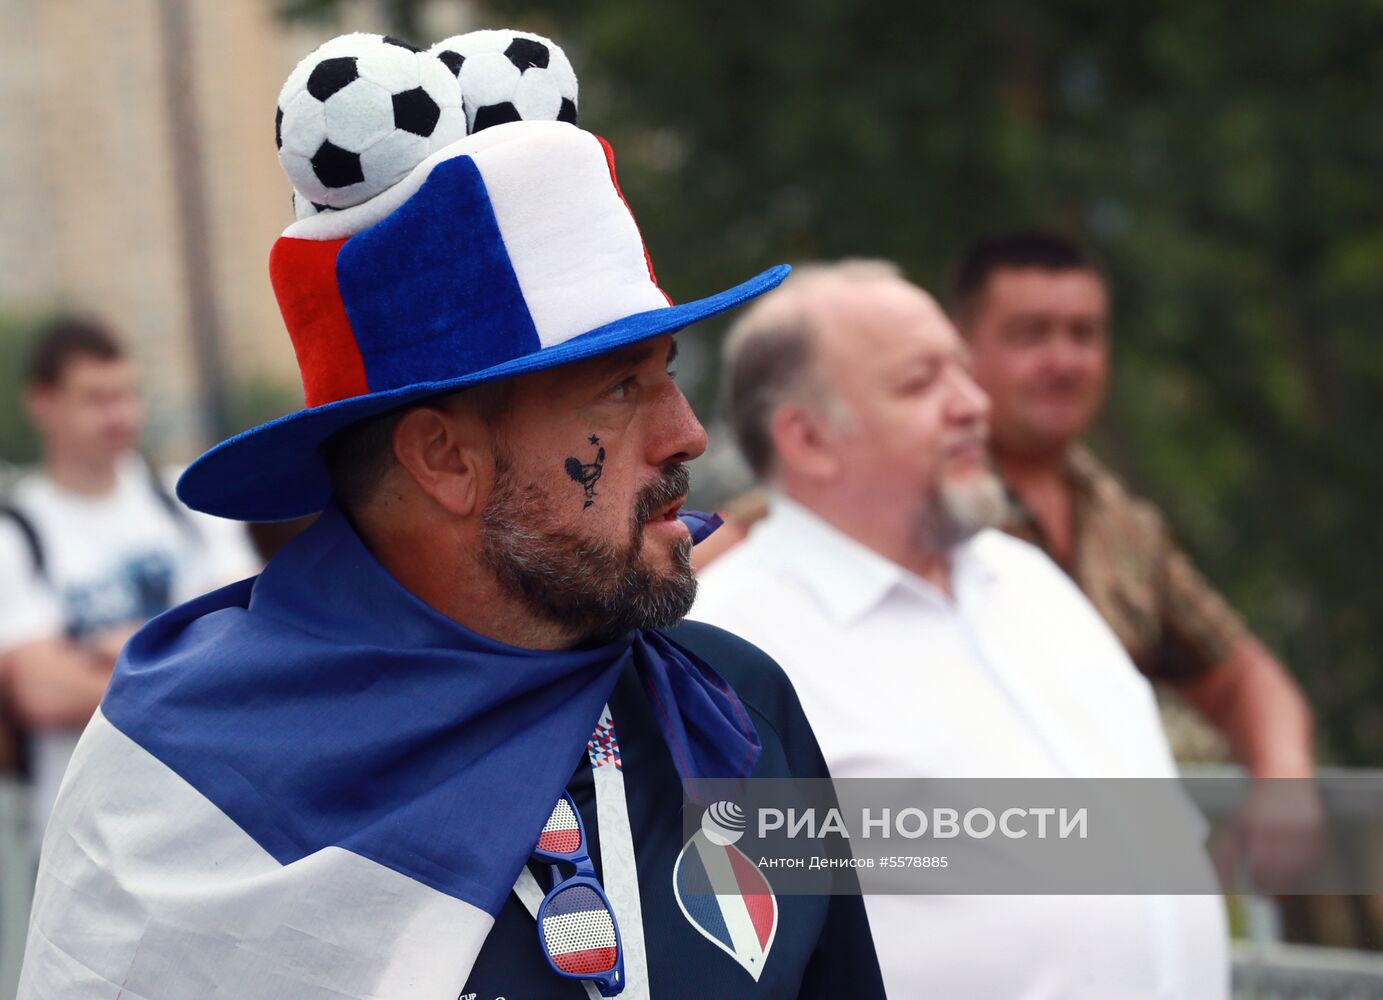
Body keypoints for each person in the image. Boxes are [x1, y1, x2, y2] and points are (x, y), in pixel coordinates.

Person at [18, 31, 884, 1000]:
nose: (686, 433)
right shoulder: (183, 771)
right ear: (443, 459)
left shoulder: (733, 709)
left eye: (667, 373)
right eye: (618, 388)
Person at [691, 260, 1229, 999]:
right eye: (921, 384)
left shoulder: (1028, 577)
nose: (974, 404)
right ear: (808, 439)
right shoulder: (726, 651)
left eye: (964, 373)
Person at [951, 232, 1319, 873]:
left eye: (1084, 334)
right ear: (960, 350)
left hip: (1113, 877)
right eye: (1031, 334)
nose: (1064, 361)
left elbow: (1242, 674)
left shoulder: (1123, 527)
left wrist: (1283, 777)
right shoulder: (907, 500)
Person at [0, 316, 259, 849]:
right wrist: (190, 654)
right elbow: (41, 690)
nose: (120, 415)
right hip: (87, 841)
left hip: (216, 823)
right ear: (42, 404)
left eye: (126, 395)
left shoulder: (190, 499)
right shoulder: (16, 531)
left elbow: (254, 638)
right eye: (96, 399)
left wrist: (114, 650)